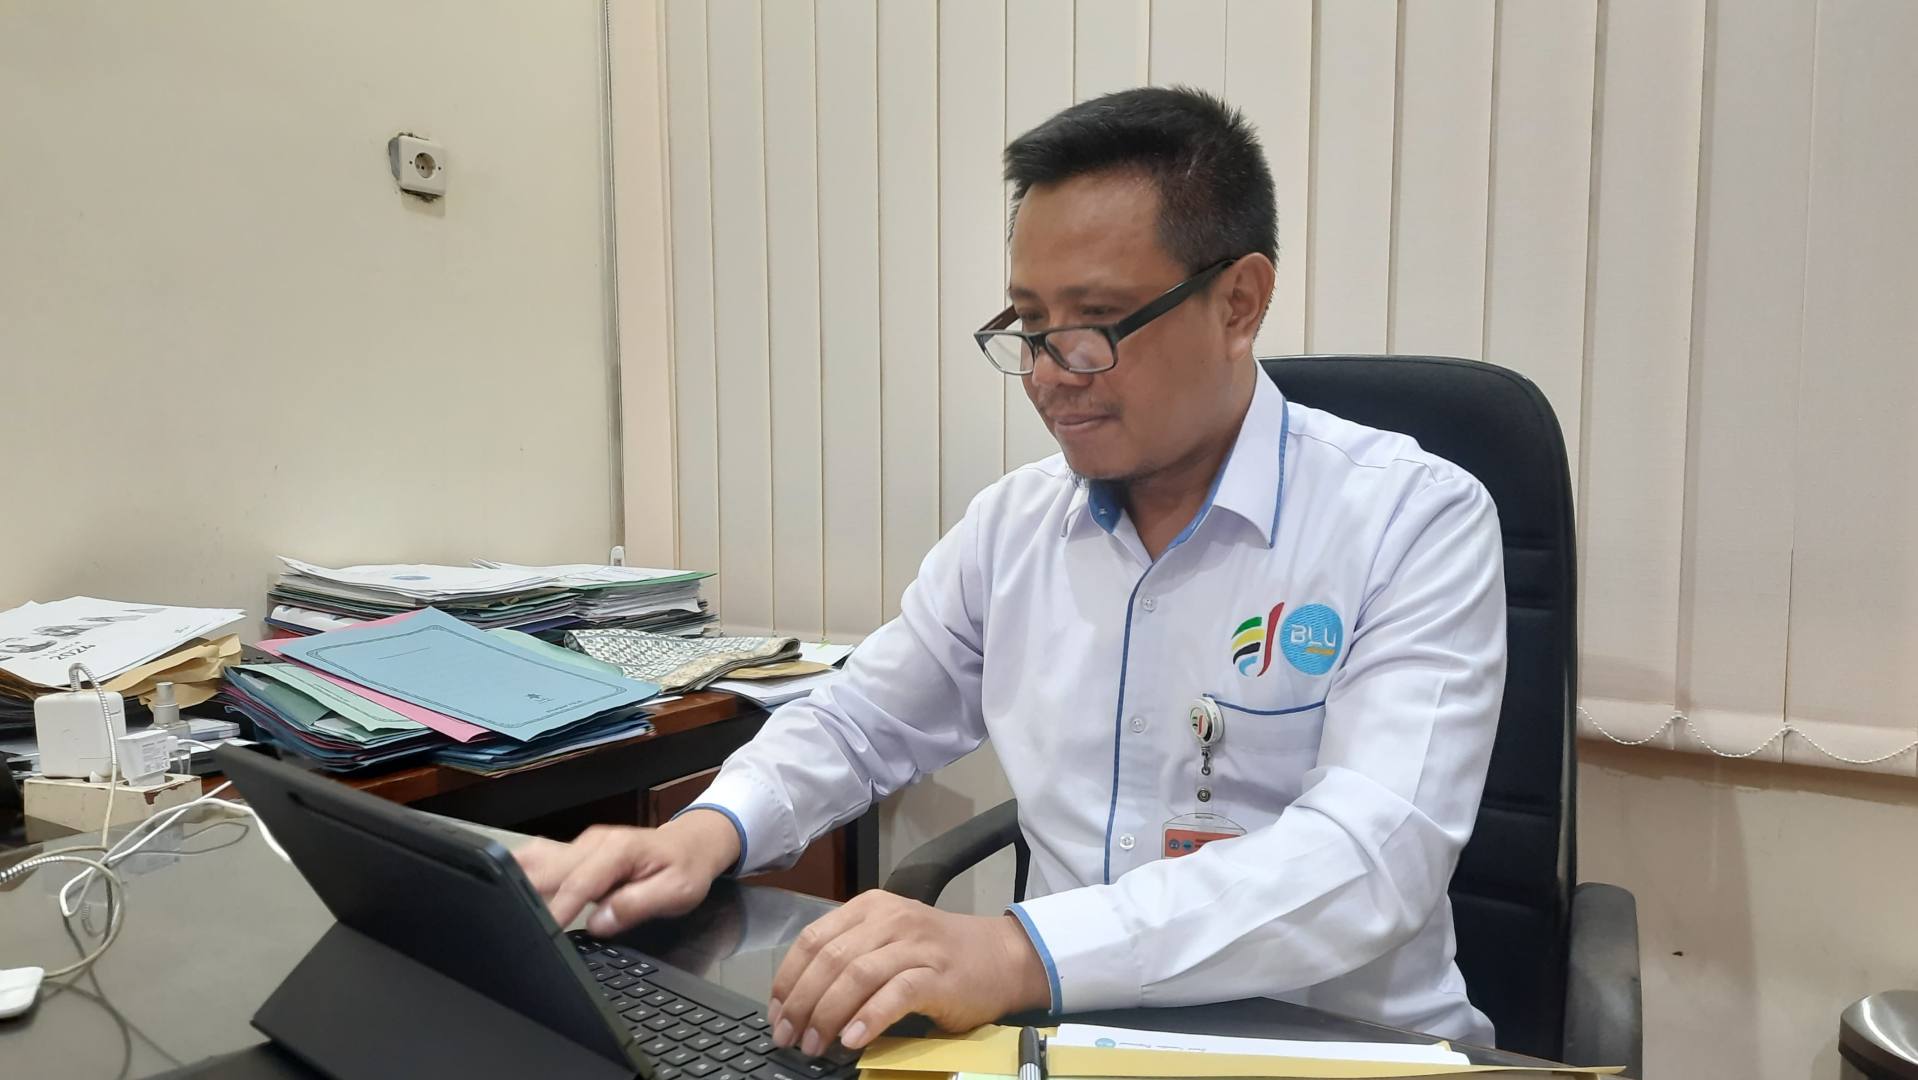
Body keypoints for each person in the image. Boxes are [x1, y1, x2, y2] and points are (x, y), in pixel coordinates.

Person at [517, 86, 1506, 1056]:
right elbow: (861, 719)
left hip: (1336, 1047)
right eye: (1029, 324)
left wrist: (1019, 950)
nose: (1047, 373)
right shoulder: (1015, 525)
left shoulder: (1411, 520)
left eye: (1096, 322)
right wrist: (703, 835)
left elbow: (1370, 856)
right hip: (1061, 1046)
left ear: (1238, 303)